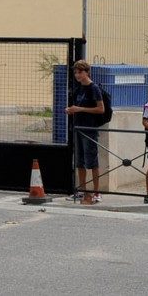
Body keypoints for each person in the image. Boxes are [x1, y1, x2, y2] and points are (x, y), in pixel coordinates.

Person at [65, 59, 104, 204]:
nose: (77, 75)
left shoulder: (94, 88)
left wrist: (80, 109)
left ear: (86, 72)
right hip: (78, 127)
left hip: (89, 129)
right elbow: (77, 106)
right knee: (80, 162)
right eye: (75, 72)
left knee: (92, 162)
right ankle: (82, 190)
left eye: (80, 72)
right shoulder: (78, 88)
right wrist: (71, 110)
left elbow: (101, 109)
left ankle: (97, 192)